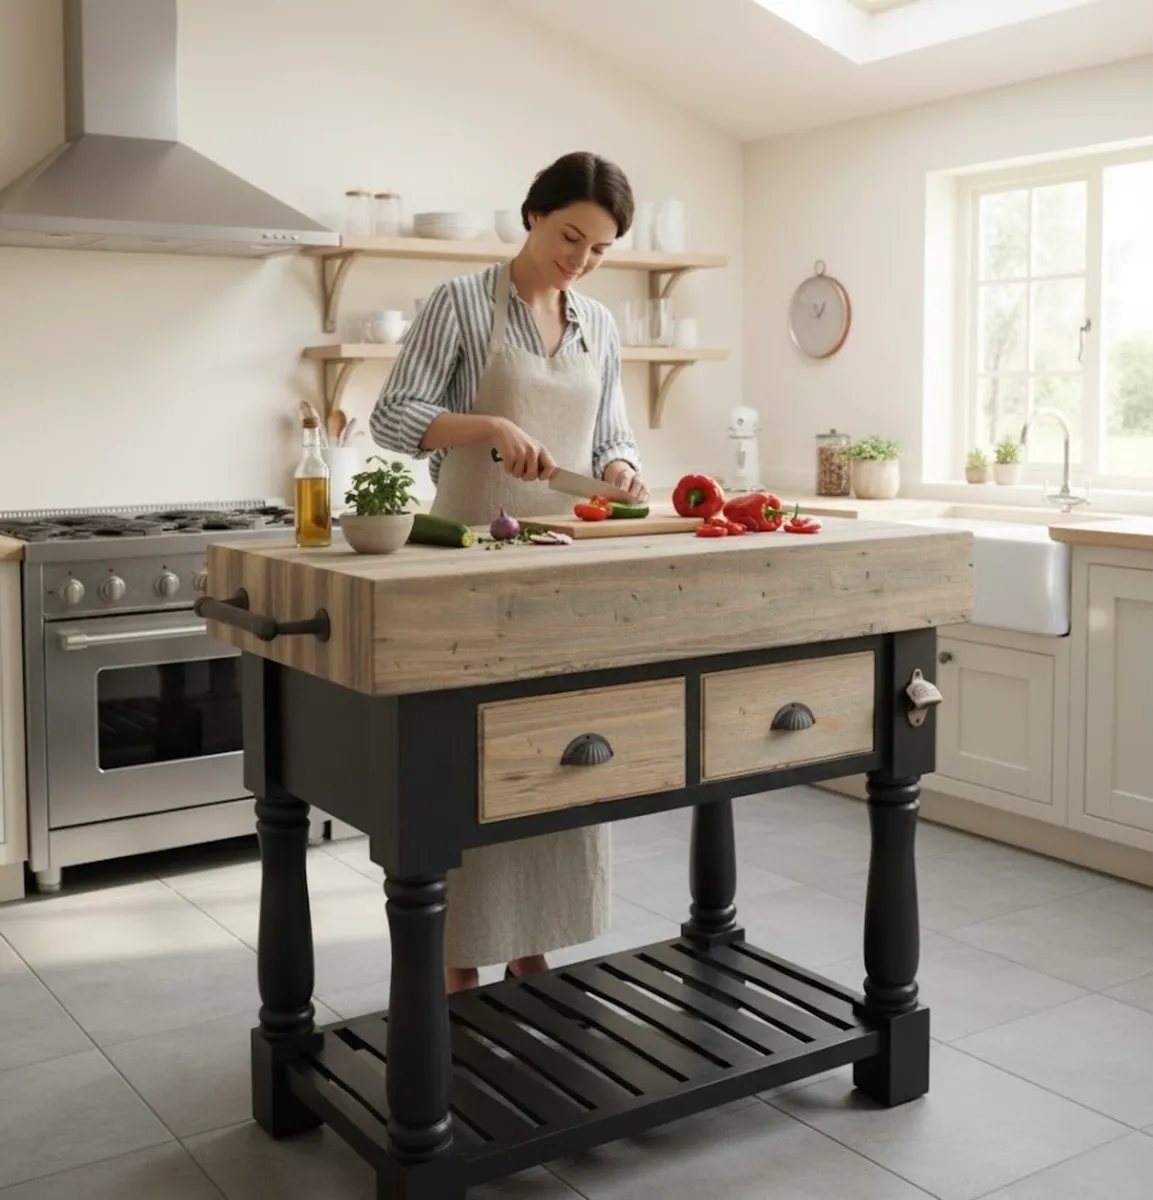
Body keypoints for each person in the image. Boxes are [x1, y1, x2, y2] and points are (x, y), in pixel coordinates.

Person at [369, 151, 649, 994]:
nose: (580, 259)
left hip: (561, 570)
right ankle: (459, 968)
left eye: (598, 249)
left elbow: (611, 436)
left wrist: (625, 467)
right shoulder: (458, 303)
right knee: (476, 771)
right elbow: (391, 417)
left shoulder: (598, 323)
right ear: (531, 215)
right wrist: (486, 422)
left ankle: (535, 955)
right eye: (570, 236)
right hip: (467, 567)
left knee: (561, 758)